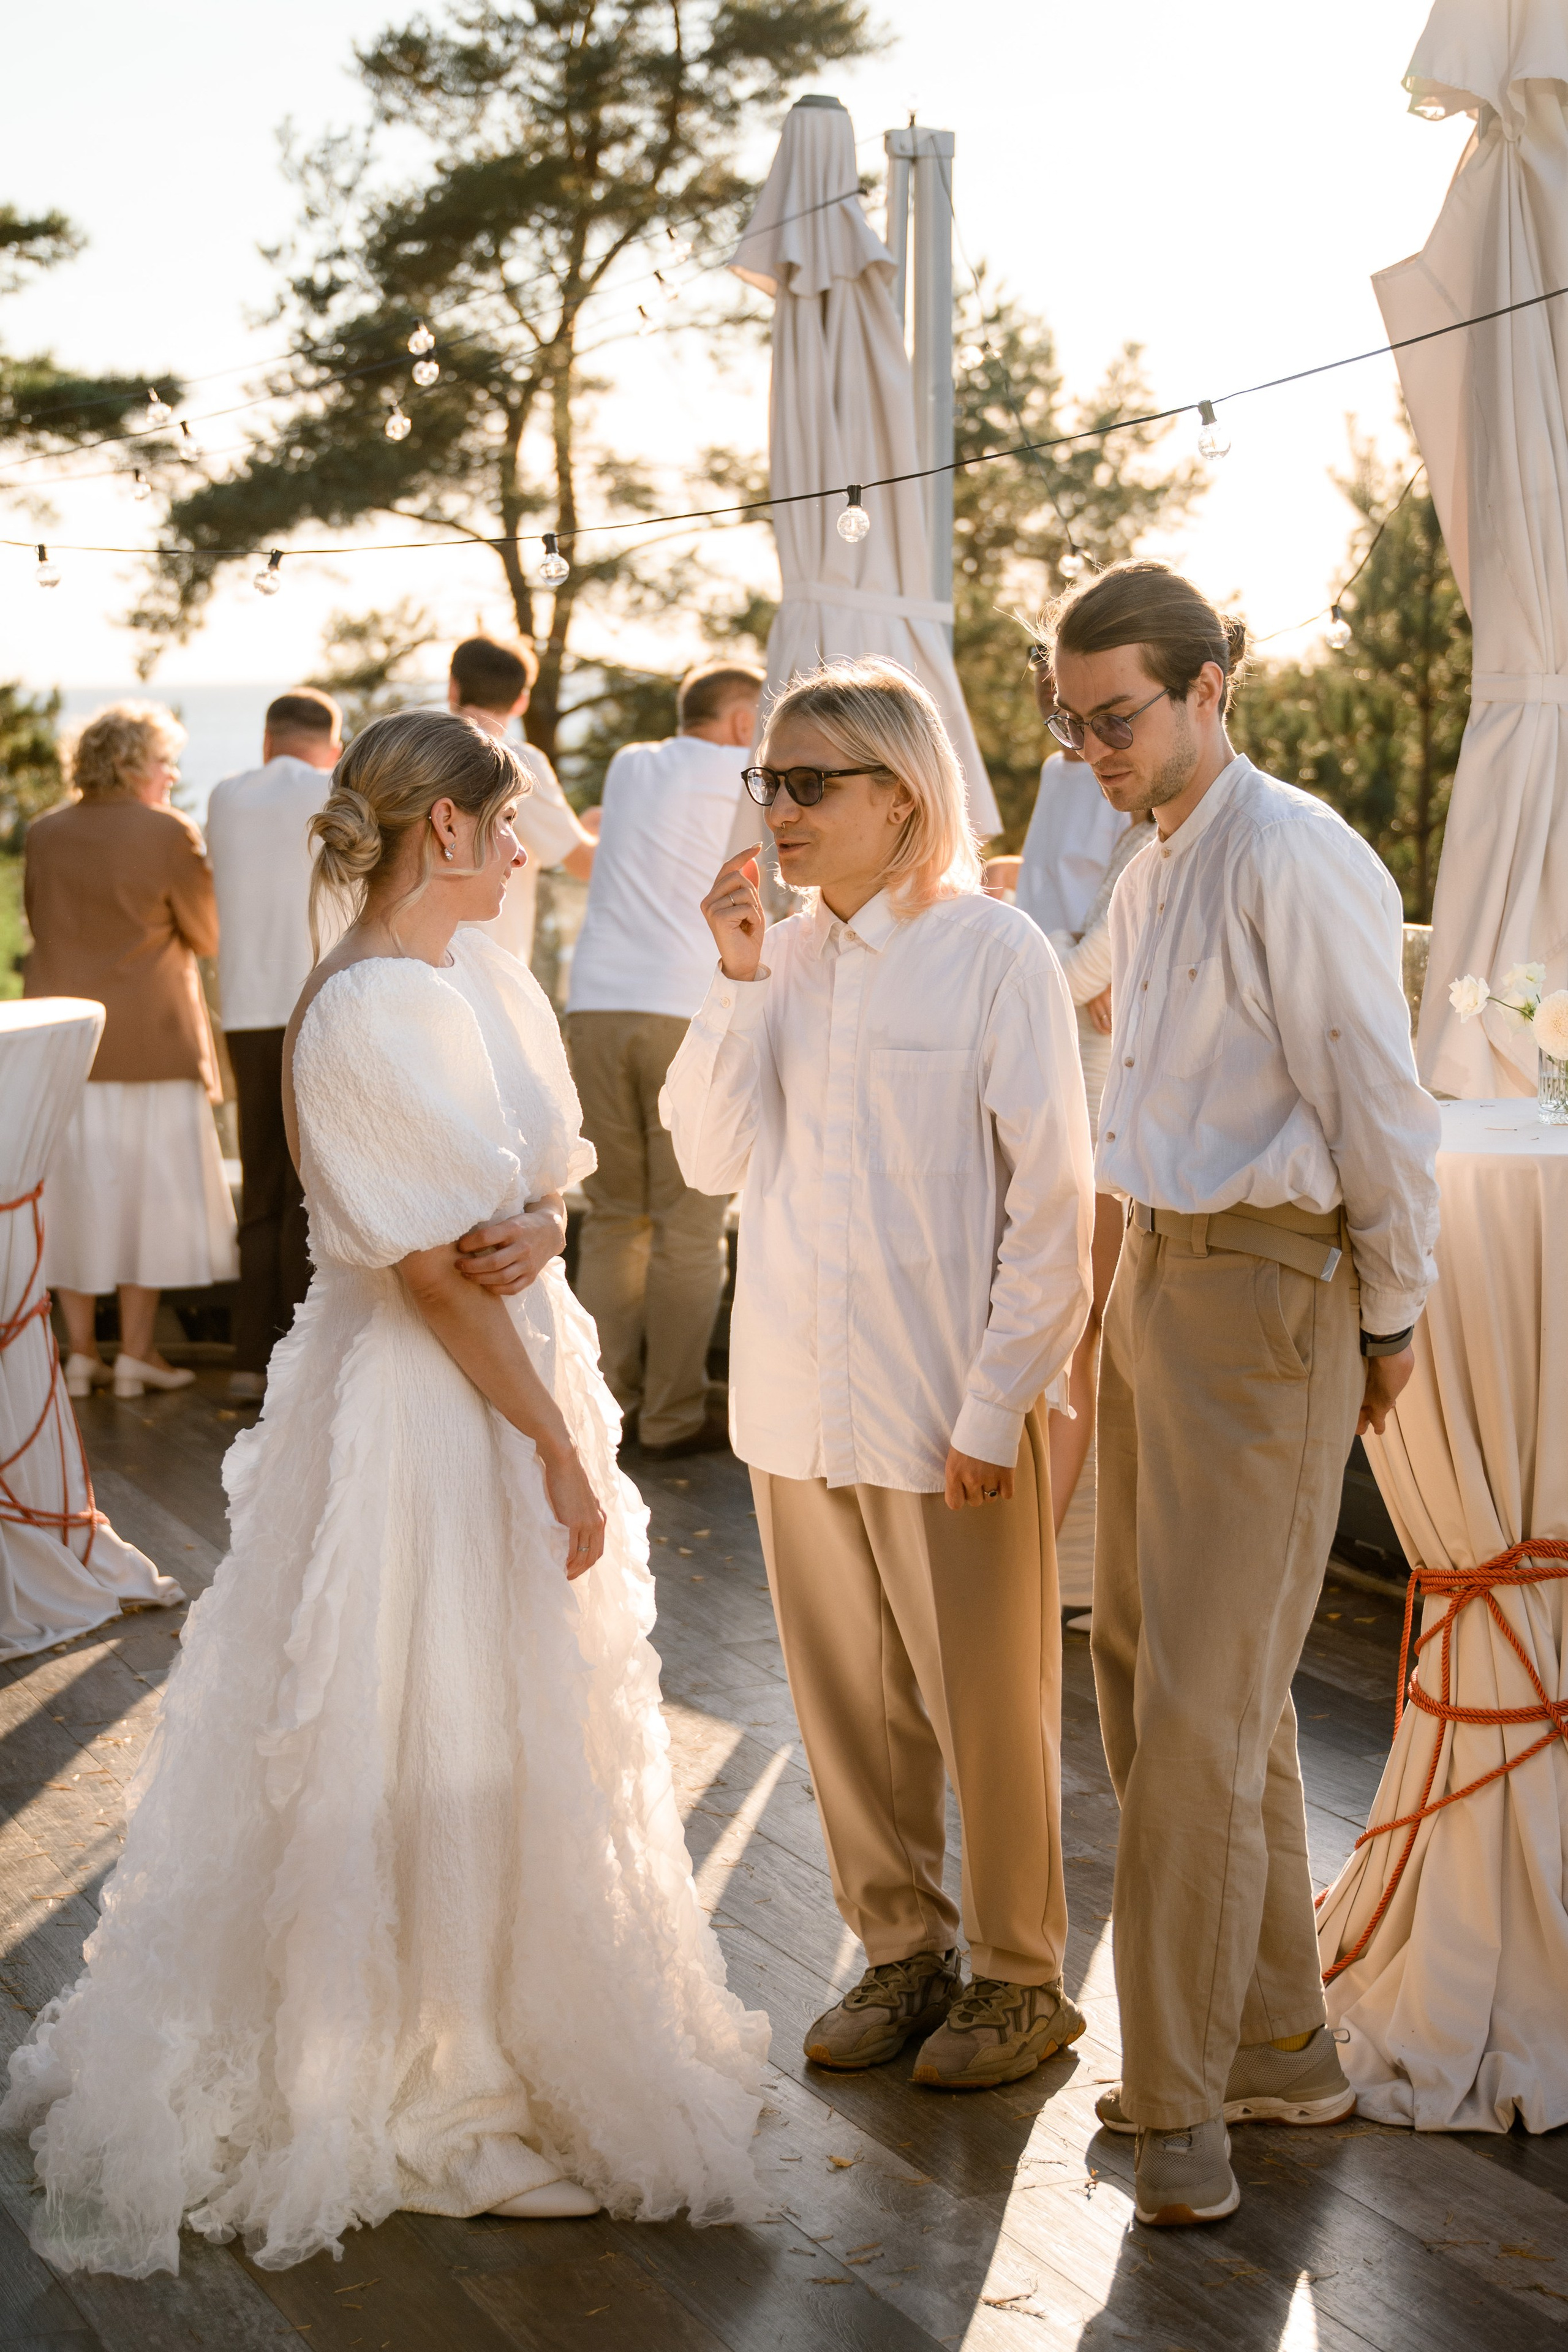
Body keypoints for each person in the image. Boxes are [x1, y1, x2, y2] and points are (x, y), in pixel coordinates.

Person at [2, 709, 767, 2275]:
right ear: (446, 833)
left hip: (458, 1372)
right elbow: (425, 1266)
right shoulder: (370, 1006)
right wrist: (553, 1446)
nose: (519, 848)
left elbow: (505, 1198)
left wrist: (543, 1227)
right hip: (433, 1408)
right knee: (430, 1712)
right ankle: (437, 2083)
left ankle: (479, 2033)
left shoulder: (428, 983)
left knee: (486, 1713)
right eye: (505, 824)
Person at [1046, 561, 1441, 2228]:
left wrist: (1395, 1311)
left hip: (1273, 1297)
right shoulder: (1155, 865)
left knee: (1202, 1714)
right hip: (1157, 1286)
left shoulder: (1296, 852)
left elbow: (1376, 1094)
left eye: (1118, 718)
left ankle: (1189, 2112)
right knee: (1161, 1684)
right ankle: (1281, 2042)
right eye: (1071, 728)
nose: (1094, 753)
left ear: (1215, 688)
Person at [664, 658, 1095, 2092]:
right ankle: (899, 1950)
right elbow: (708, 1162)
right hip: (795, 1396)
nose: (773, 806)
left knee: (988, 1701)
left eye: (805, 783)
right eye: (766, 781)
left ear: (898, 796)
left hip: (944, 1397)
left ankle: (1021, 1979)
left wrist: (994, 1402)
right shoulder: (766, 960)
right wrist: (730, 984)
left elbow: (1053, 1200)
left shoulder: (992, 952)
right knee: (844, 1706)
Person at [565, 660, 764, 1460]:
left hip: (596, 1005)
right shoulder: (749, 774)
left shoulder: (629, 764)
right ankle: (675, 1416)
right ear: (745, 719)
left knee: (616, 1217)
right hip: (686, 1009)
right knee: (691, 1220)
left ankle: (605, 1405)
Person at [23, 703, 238, 1400]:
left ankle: (80, 1353)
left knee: (77, 1195)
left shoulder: (45, 833)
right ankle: (138, 1352)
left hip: (63, 1045)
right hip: (151, 1041)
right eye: (162, 761)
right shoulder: (167, 831)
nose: (172, 774)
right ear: (130, 764)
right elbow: (207, 933)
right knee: (146, 1199)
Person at [205, 688, 344, 1401]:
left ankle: (245, 1359)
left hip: (245, 1010)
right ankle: (298, 1362)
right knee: (310, 1190)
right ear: (333, 743)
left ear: (267, 741)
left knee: (261, 1186)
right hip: (319, 1004)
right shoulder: (334, 788)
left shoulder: (226, 796)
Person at [447, 636, 596, 965]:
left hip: (408, 954)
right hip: (485, 962)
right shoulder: (518, 761)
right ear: (522, 701)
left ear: (453, 687)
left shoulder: (416, 752)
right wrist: (596, 829)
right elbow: (582, 863)